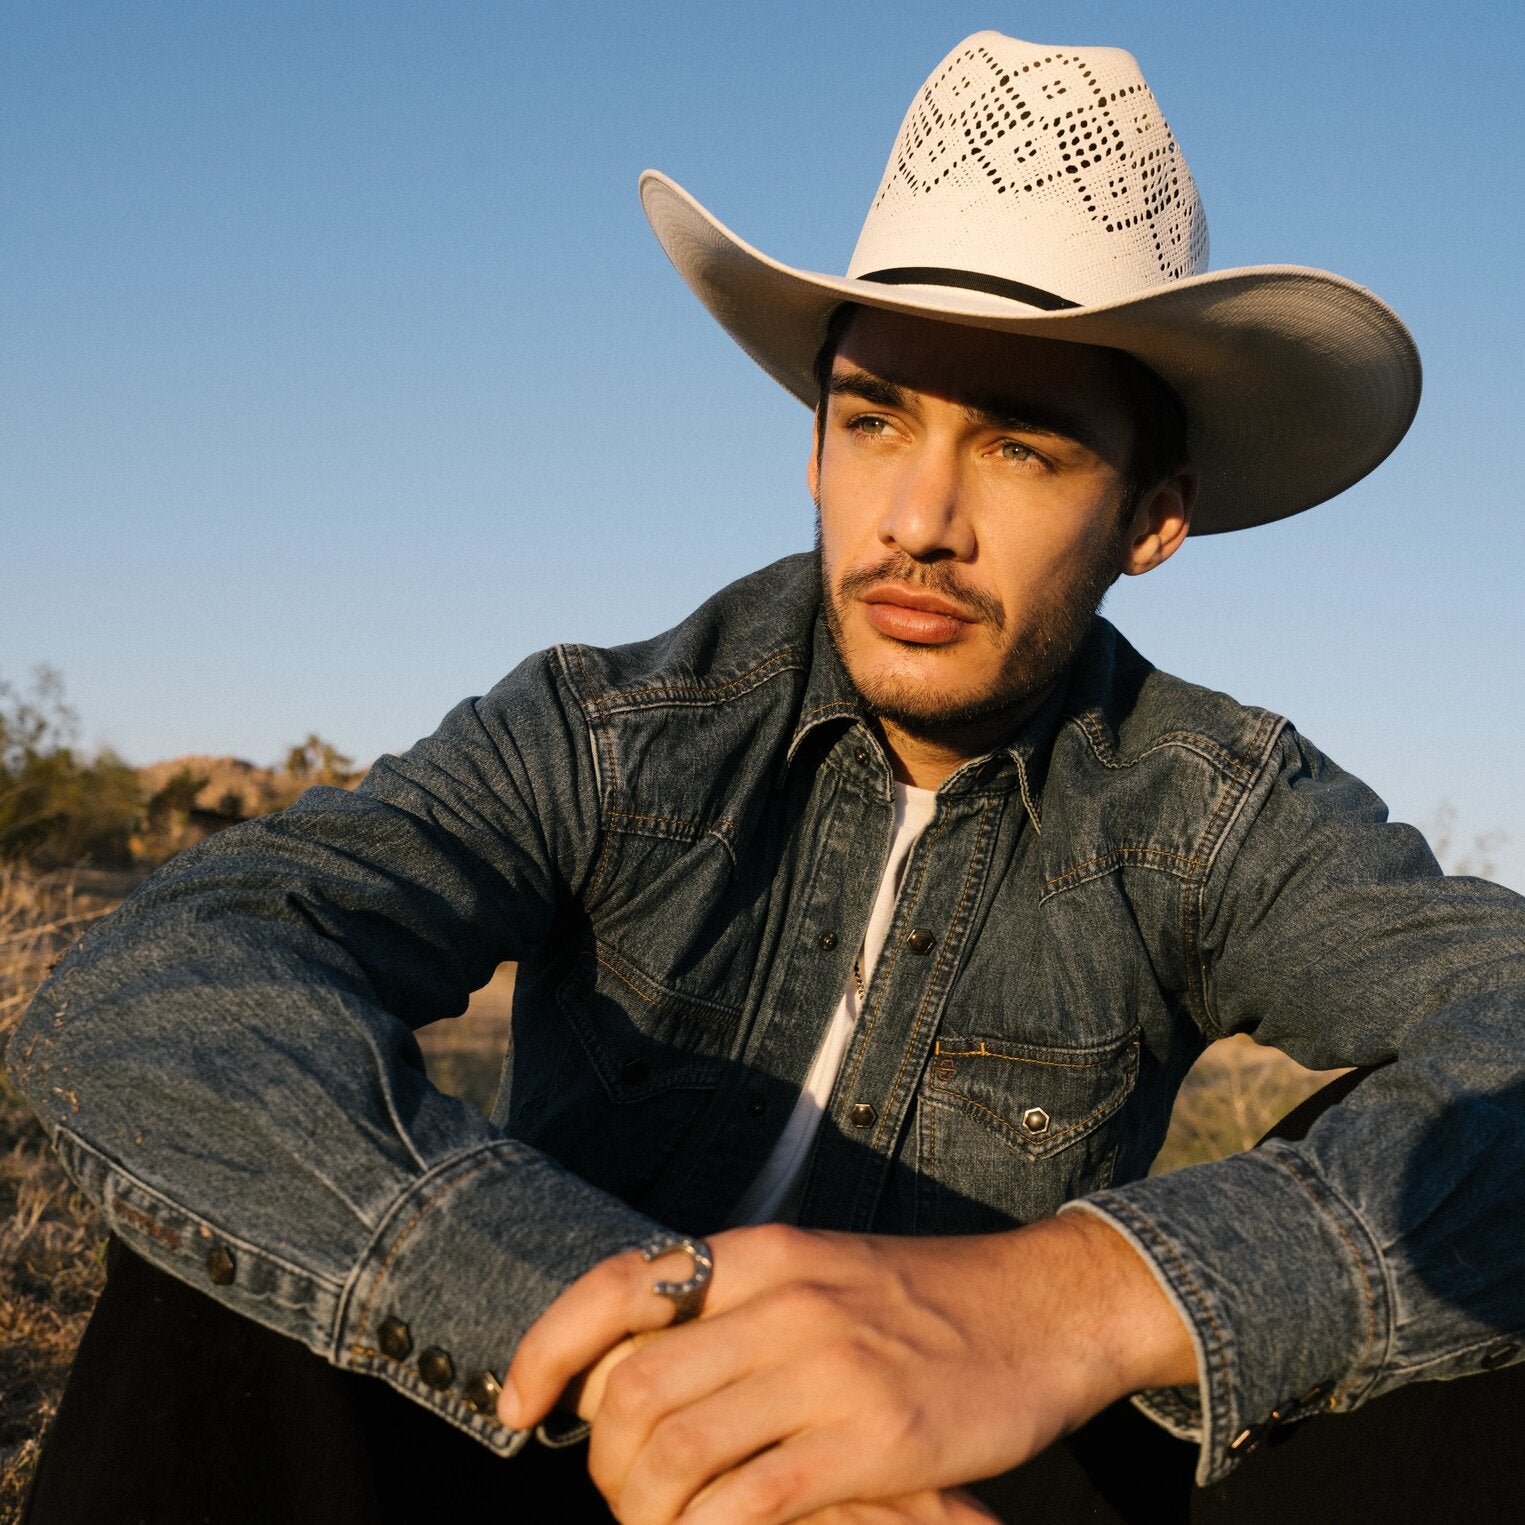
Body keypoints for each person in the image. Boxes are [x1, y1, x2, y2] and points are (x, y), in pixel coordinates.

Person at [11, 30, 1525, 1525]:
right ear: (813, 450)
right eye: (875, 421)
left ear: (1151, 517)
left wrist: (1069, 1301)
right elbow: (166, 980)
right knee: (233, 1234)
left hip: (967, 1480)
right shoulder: (610, 729)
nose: (918, 518)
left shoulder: (1208, 807)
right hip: (559, 1439)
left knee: (1464, 1304)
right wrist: (655, 1352)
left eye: (1020, 447)